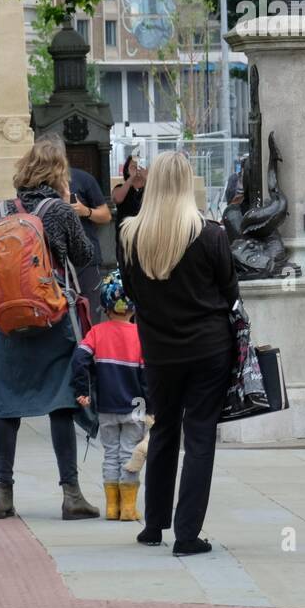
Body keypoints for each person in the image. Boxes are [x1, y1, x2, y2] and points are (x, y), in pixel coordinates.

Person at [0, 137, 101, 521]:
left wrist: (10, 287)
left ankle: (3, 493)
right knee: (60, 403)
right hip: (52, 318)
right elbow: (85, 256)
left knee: (6, 405)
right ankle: (71, 495)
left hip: (9, 323)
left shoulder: (0, 211)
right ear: (58, 171)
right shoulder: (58, 209)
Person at [118, 151, 238, 555]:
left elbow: (132, 295)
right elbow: (230, 293)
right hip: (209, 348)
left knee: (164, 429)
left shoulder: (131, 235)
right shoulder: (210, 234)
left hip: (159, 349)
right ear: (188, 184)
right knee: (200, 434)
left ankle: (153, 525)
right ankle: (188, 535)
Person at [71, 269, 149, 521]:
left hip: (106, 406)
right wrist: (153, 408)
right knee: (129, 454)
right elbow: (147, 377)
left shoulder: (96, 333)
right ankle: (128, 508)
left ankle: (111, 507)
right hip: (135, 408)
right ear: (134, 308)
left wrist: (83, 390)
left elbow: (79, 359)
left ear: (105, 307)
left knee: (110, 453)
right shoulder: (141, 337)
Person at [68, 160, 112, 322]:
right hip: (53, 263)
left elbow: (106, 215)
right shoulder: (37, 184)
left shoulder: (81, 179)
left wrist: (85, 211)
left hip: (86, 262)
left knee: (90, 317)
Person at [113, 154, 147, 235]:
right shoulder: (120, 187)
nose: (137, 169)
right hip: (125, 232)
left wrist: (147, 177)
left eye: (140, 165)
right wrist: (131, 177)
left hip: (145, 231)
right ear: (127, 170)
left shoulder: (150, 189)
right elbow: (117, 199)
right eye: (133, 166)